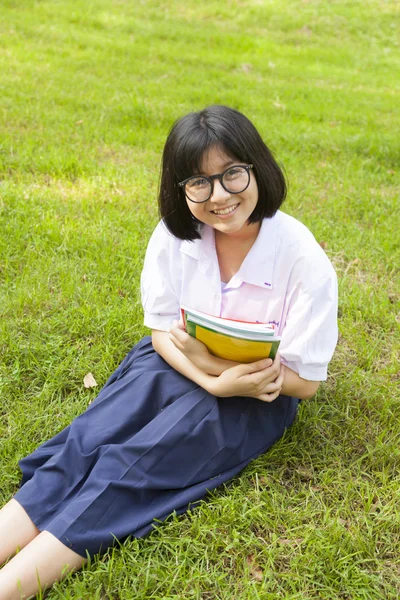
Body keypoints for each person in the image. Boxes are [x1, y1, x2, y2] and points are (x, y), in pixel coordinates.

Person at [0, 105, 338, 599]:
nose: (219, 196)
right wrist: (205, 372)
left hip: (255, 396)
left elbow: (304, 384)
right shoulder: (176, 235)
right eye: (199, 183)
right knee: (87, 443)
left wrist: (220, 377)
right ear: (180, 189)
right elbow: (161, 333)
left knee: (132, 469)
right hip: (170, 363)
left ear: (258, 168)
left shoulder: (304, 259)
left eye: (232, 175)